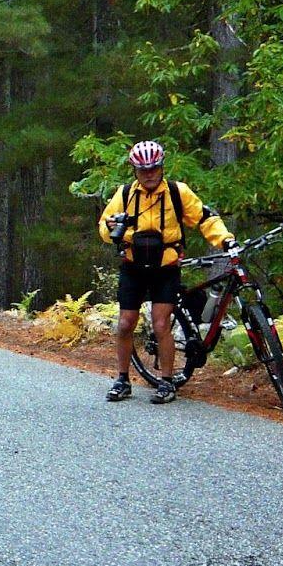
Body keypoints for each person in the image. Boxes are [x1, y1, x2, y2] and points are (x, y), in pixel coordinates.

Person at [99, 140, 235, 404]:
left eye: (154, 168)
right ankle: (122, 379)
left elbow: (205, 218)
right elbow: (104, 227)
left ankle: (166, 381)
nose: (149, 174)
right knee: (126, 322)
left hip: (165, 268)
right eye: (143, 170)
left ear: (161, 167)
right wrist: (113, 227)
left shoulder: (177, 192)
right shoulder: (125, 194)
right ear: (134, 170)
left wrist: (225, 239)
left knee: (162, 324)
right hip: (133, 267)